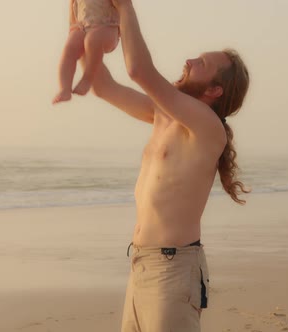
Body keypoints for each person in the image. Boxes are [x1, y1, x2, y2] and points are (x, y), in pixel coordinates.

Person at [87, 0, 250, 331]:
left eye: (201, 63)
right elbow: (100, 85)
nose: (188, 61)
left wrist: (125, 7)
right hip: (141, 264)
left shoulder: (206, 127)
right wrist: (82, 26)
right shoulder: (162, 116)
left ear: (214, 90)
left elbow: (138, 71)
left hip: (173, 272)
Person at [52, 0, 120, 104]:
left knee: (92, 40)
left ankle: (87, 78)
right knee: (70, 47)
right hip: (83, 26)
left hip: (108, 27)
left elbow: (124, 6)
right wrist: (73, 27)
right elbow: (73, 6)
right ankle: (65, 88)